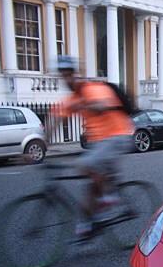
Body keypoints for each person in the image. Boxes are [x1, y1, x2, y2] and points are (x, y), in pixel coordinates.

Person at [56, 56, 134, 237]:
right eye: (63, 76)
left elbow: (102, 105)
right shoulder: (72, 99)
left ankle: (110, 197)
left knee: (86, 165)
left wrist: (86, 103)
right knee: (90, 188)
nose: (66, 80)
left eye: (69, 75)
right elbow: (56, 119)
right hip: (99, 143)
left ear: (76, 75)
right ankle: (88, 225)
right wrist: (43, 141)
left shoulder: (92, 88)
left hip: (118, 136)